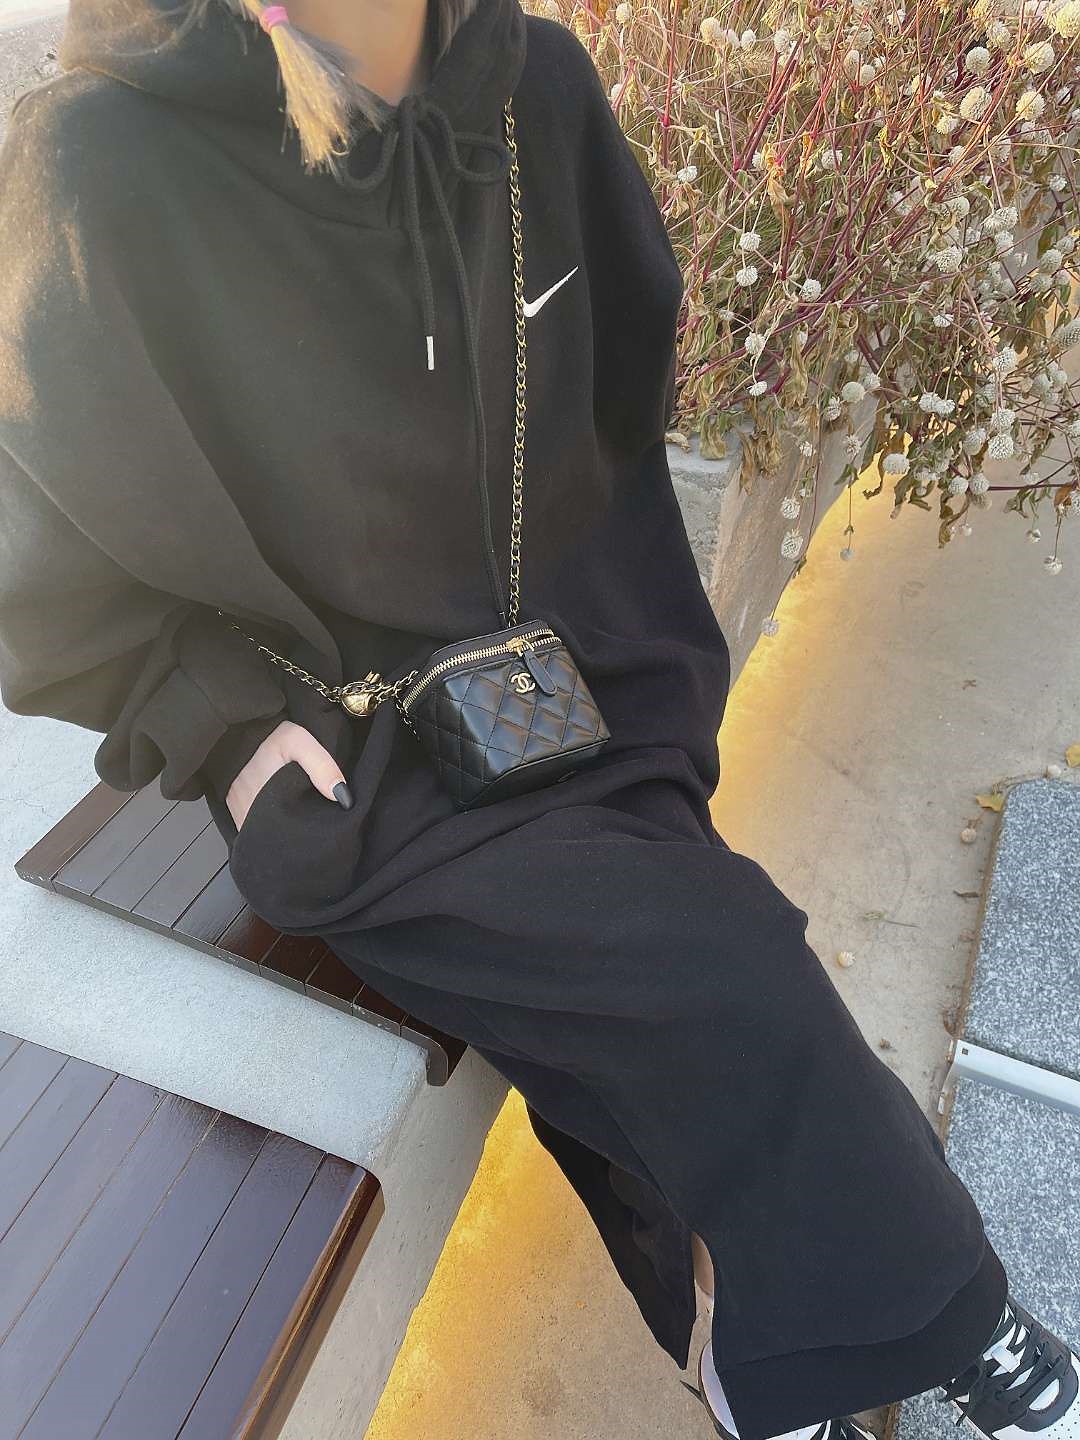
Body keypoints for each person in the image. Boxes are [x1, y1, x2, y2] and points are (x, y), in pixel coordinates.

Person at [0, 0, 1075, 1435]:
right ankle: (958, 1314)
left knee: (639, 1001)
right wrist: (220, 729)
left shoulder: (530, 85)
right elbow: (41, 556)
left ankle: (746, 1346)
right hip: (346, 741)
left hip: (579, 664)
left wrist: (604, 596)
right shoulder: (98, 156)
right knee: (733, 965)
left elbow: (625, 374)